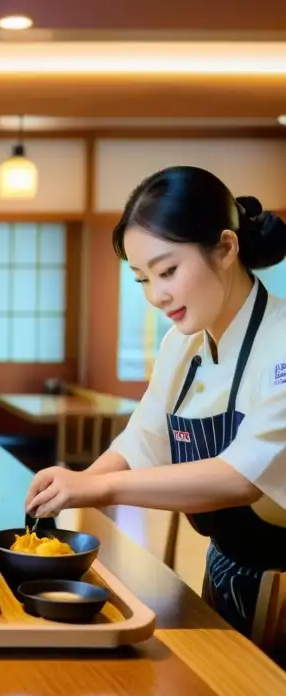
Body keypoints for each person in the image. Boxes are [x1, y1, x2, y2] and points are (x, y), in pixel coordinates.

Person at [25, 165, 286, 651]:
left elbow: (242, 477)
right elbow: (144, 438)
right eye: (142, 278)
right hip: (227, 570)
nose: (156, 295)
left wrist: (99, 486)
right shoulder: (180, 344)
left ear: (226, 248)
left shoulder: (283, 340)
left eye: (167, 271)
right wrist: (76, 485)